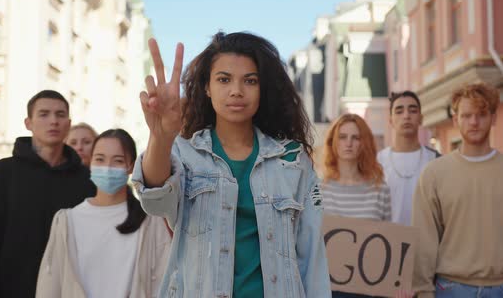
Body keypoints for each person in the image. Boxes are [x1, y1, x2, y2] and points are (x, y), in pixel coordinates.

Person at [132, 32, 331, 297]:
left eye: (250, 81)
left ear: (263, 89)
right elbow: (155, 200)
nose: (236, 90)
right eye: (224, 79)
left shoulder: (293, 160)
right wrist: (160, 136)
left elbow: (312, 257)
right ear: (207, 87)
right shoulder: (185, 152)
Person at [412, 83, 503, 297]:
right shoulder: (434, 174)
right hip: (450, 289)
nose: (474, 122)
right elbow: (424, 240)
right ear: (455, 119)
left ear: (494, 118)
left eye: (482, 114)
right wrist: (422, 291)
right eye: (466, 115)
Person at [0, 90, 95, 298]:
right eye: (44, 114)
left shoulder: (88, 181)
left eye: (60, 115)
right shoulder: (0, 175)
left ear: (69, 123)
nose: (53, 121)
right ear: (28, 123)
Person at [36, 129, 170, 298]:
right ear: (90, 162)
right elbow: (50, 285)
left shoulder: (150, 222)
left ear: (131, 166)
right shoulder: (67, 221)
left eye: (118, 160)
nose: (107, 168)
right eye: (100, 159)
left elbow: (165, 282)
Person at [321, 113, 391, 298]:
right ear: (334, 143)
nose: (348, 143)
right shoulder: (318, 189)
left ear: (364, 143)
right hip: (329, 288)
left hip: (370, 288)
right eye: (343, 137)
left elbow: (387, 242)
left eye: (355, 137)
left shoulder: (380, 189)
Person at [377, 91, 440, 226]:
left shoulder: (436, 161)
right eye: (399, 111)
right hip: (387, 242)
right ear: (390, 120)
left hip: (426, 243)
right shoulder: (377, 162)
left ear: (421, 118)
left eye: (412, 111)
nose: (406, 116)